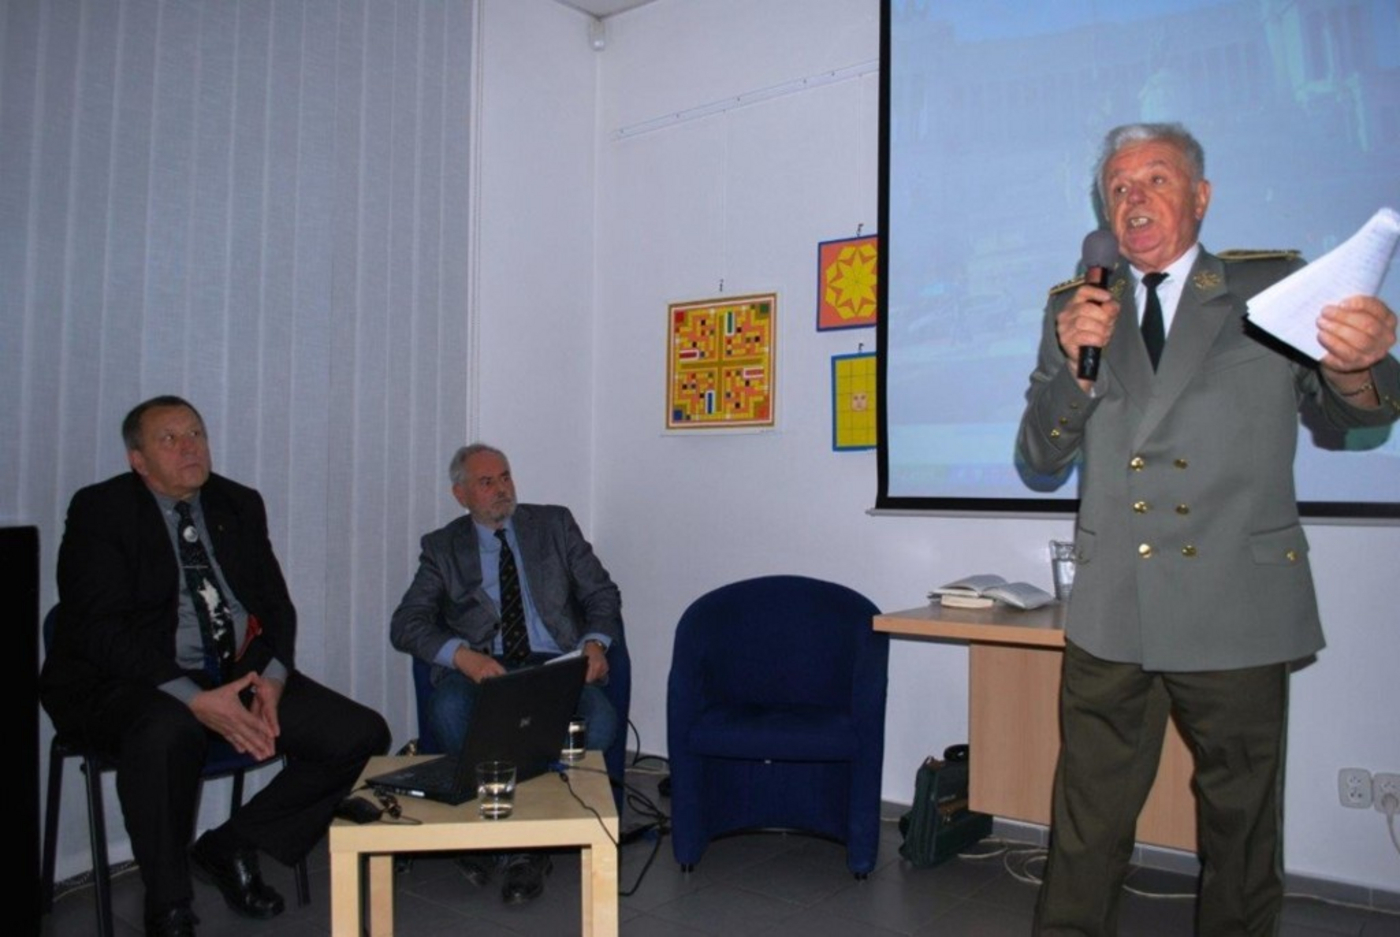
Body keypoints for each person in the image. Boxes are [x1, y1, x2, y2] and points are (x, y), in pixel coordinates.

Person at [1016, 123, 1399, 936]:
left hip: (1236, 603)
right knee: (1084, 826)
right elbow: (1039, 454)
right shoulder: (1074, 308)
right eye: (1119, 187)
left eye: (1156, 179)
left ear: (1201, 196)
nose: (1134, 198)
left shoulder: (1272, 288)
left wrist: (1358, 365)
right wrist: (1075, 371)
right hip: (1114, 608)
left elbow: (1352, 414)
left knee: (1241, 829)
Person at [40, 396, 391, 937]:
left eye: (196, 434)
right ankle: (168, 904)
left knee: (359, 733)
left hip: (233, 671)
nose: (190, 448)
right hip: (124, 681)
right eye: (170, 439)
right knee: (168, 731)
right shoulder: (101, 510)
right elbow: (99, 630)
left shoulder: (236, 502)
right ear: (138, 460)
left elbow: (275, 606)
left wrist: (273, 679)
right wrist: (194, 699)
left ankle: (229, 846)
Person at [390, 442, 622, 904]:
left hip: (553, 663)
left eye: (505, 477)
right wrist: (462, 657)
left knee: (600, 722)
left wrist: (595, 643)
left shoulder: (554, 526)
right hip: (483, 668)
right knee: (450, 710)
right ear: (461, 494)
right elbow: (406, 623)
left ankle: (506, 844)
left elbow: (602, 593)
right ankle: (521, 848)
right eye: (486, 482)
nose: (502, 489)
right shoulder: (442, 547)